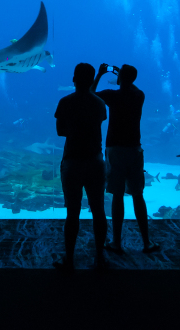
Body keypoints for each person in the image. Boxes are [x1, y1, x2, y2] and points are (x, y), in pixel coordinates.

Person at [92, 63, 160, 254]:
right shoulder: (139, 95)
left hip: (115, 149)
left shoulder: (112, 95)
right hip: (134, 149)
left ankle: (116, 242)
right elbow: (132, 85)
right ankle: (146, 242)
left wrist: (100, 74)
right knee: (138, 195)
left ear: (120, 78)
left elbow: (90, 95)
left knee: (117, 195)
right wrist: (122, 75)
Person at [53, 62, 109, 271]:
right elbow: (99, 119)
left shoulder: (65, 102)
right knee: (99, 211)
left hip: (73, 161)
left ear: (74, 79)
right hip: (95, 161)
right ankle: (100, 257)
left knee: (73, 213)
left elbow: (60, 131)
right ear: (92, 79)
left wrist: (75, 130)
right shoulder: (99, 103)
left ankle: (69, 259)